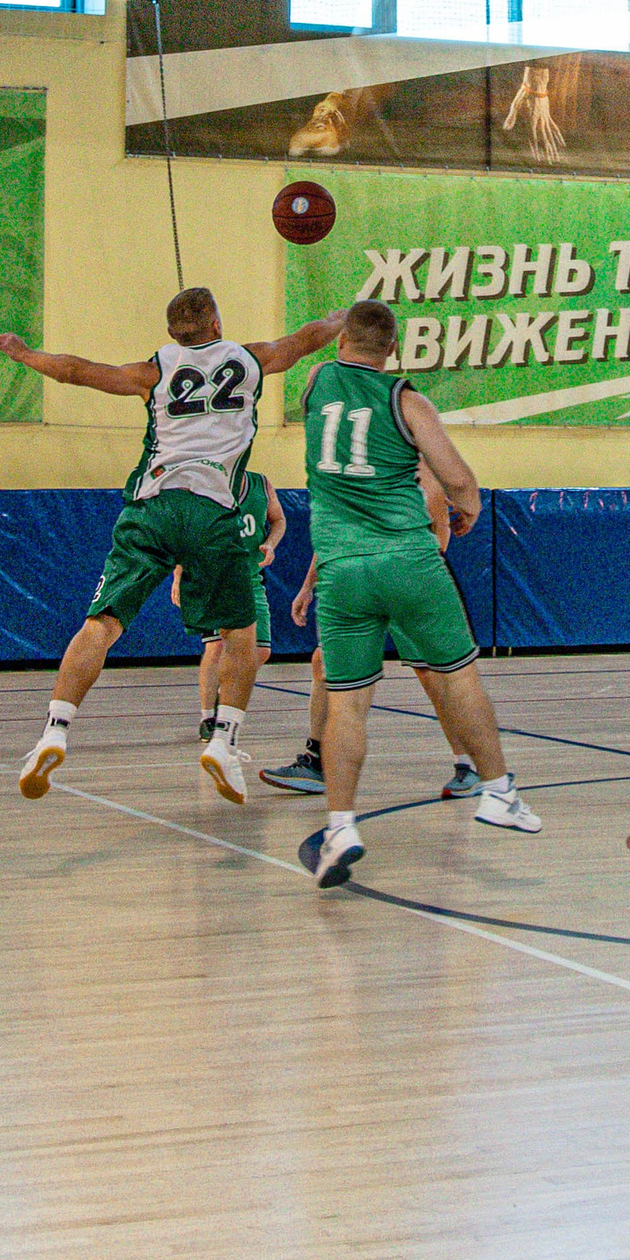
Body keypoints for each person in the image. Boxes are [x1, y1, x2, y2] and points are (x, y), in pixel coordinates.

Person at [0, 290, 343, 805]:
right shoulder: (249, 359)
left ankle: (54, 732)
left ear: (173, 333)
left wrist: (24, 353)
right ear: (216, 321)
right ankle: (223, 741)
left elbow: (77, 371)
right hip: (211, 510)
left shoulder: (154, 371)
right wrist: (341, 319)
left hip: (151, 506)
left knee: (101, 624)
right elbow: (304, 340)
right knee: (241, 633)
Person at [296, 301, 539, 889]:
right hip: (408, 561)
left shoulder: (316, 381)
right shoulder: (407, 401)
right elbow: (456, 478)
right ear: (393, 350)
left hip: (341, 569)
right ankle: (498, 792)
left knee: (347, 704)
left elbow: (317, 352)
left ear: (342, 341)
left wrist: (331, 328)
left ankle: (340, 827)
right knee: (458, 679)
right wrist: (469, 506)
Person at [260, 459, 481, 799]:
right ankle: (316, 763)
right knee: (324, 662)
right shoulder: (347, 472)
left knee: (434, 677)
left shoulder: (419, 472)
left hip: (411, 575)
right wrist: (307, 587)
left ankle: (469, 765)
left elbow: (441, 529)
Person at [177, 472, 285, 739]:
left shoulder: (261, 483)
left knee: (261, 651)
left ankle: (224, 691)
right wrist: (178, 575)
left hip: (249, 578)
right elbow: (185, 531)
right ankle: (208, 717)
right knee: (216, 646)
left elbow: (279, 520)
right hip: (212, 578)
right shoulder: (204, 483)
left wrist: (270, 544)